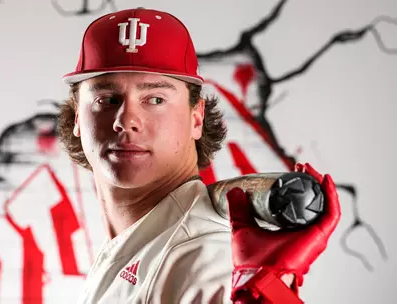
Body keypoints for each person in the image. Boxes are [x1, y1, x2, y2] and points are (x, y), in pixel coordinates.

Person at [59, 7, 341, 304]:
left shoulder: (203, 258)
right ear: (78, 117)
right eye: (106, 99)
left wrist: (263, 297)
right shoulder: (135, 243)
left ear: (196, 118)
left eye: (155, 98)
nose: (127, 119)